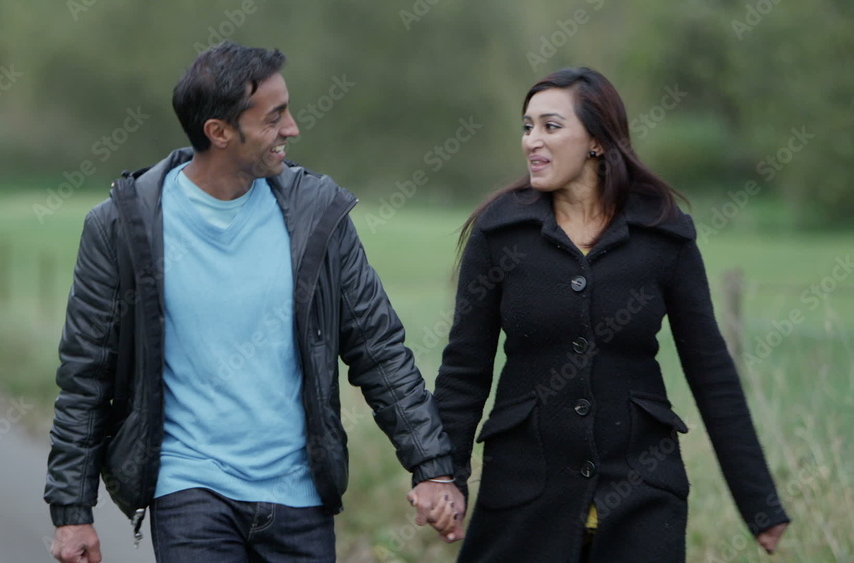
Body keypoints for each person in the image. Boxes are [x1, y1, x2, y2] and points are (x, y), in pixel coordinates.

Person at [44, 41, 463, 563]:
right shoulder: (123, 228)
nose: (292, 129)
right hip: (189, 485)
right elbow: (87, 374)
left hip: (300, 495)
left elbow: (378, 350)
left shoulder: (317, 216)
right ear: (219, 132)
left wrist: (432, 467)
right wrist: (72, 511)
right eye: (274, 117)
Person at [430, 67, 790, 561]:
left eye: (551, 126)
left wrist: (759, 502)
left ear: (597, 141)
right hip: (522, 494)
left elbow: (711, 371)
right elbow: (464, 371)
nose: (532, 140)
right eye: (527, 127)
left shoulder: (663, 232)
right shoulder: (500, 231)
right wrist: (443, 476)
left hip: (643, 497)